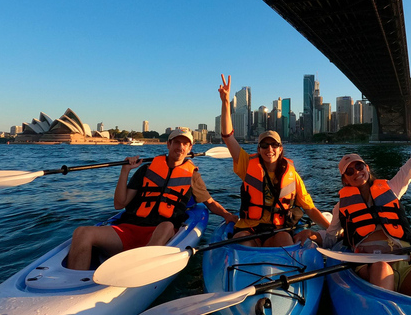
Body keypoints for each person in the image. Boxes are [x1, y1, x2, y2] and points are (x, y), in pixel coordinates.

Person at [321, 121, 411, 300]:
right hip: (371, 263)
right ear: (345, 180)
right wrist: (312, 238)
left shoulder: (390, 188)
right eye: (350, 171)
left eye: (359, 166)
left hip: (405, 260)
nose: (356, 172)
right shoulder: (340, 207)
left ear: (367, 168)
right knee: (382, 268)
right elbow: (331, 236)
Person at [67, 128, 238, 270]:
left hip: (159, 234)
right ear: (168, 144)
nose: (180, 146)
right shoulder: (146, 170)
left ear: (190, 148)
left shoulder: (192, 177)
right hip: (128, 229)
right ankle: (72, 285)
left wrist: (227, 215)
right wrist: (125, 170)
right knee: (81, 232)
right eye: (177, 142)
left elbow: (209, 203)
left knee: (166, 225)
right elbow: (119, 204)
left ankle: (137, 269)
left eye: (185, 143)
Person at [218, 74, 331, 247]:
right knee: (243, 244)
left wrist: (330, 232)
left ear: (280, 149)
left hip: (278, 230)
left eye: (273, 145)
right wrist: (226, 103)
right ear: (258, 149)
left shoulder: (292, 176)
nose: (269, 149)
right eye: (264, 145)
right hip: (250, 229)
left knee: (285, 240)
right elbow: (228, 137)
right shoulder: (247, 164)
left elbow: (310, 209)